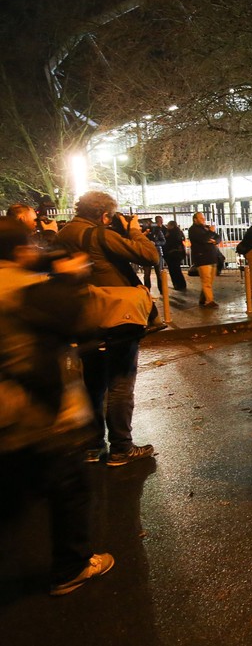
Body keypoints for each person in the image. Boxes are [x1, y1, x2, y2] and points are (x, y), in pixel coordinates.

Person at [0, 218, 116, 596]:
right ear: (22, 251)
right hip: (38, 413)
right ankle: (71, 567)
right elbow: (84, 323)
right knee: (69, 486)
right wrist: (70, 278)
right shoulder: (29, 290)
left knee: (13, 493)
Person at [56, 191, 159, 466]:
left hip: (82, 317)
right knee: (120, 382)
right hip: (116, 317)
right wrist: (134, 231)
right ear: (104, 216)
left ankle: (92, 445)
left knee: (92, 382)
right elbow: (150, 255)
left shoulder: (63, 235)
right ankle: (121, 447)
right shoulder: (99, 234)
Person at [187, 212, 222, 308]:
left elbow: (218, 237)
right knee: (206, 281)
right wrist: (210, 233)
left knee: (209, 281)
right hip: (202, 258)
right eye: (201, 218)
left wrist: (215, 240)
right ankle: (209, 301)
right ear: (195, 219)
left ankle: (203, 298)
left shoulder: (205, 228)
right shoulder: (193, 230)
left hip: (212, 257)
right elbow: (203, 239)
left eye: (204, 218)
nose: (204, 220)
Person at [163, 220, 188, 291]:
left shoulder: (171, 233)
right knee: (177, 269)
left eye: (168, 225)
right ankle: (182, 284)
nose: (167, 226)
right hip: (178, 254)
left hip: (172, 254)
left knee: (173, 270)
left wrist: (166, 237)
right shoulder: (179, 232)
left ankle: (177, 284)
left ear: (172, 226)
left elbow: (169, 243)